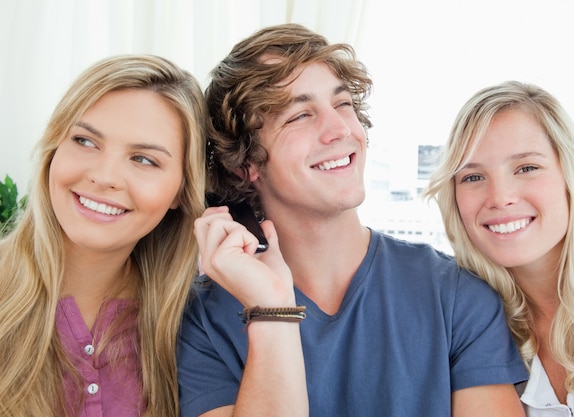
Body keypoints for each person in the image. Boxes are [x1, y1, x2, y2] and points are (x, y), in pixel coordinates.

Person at [177, 23, 527, 417]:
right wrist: (271, 309)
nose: (341, 129)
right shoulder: (202, 321)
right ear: (245, 165)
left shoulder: (458, 297)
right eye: (299, 115)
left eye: (343, 104)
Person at [0, 54, 208, 417]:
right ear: (53, 149)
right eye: (84, 141)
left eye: (144, 159)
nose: (104, 176)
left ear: (181, 191)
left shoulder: (193, 323)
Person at [425, 80, 574, 416]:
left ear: (569, 174)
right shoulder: (466, 323)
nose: (500, 197)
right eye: (473, 177)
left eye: (527, 168)